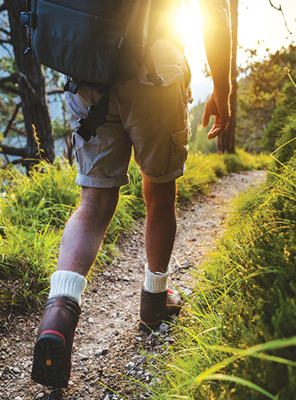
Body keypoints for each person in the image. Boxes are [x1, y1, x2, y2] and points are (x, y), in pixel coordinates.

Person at [31, 0, 231, 388]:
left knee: (93, 203)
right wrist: (221, 89)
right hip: (154, 70)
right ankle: (155, 301)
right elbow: (215, 13)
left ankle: (58, 314)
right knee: (159, 189)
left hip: (88, 68)